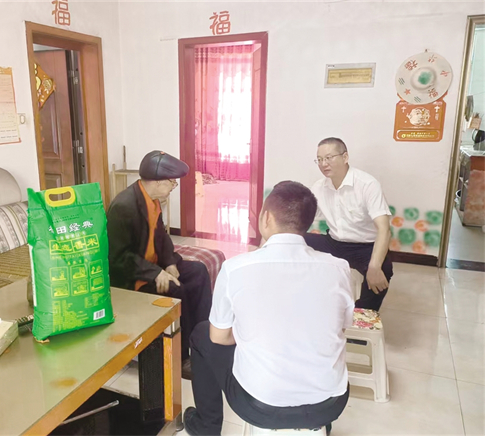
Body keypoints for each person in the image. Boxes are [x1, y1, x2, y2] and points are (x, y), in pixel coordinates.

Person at [184, 181, 354, 436]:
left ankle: (206, 427)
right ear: (307, 225)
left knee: (201, 334)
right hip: (330, 404)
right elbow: (341, 327)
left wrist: (251, 335)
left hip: (259, 407)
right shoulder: (339, 268)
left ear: (266, 218)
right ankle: (319, 426)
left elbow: (219, 337)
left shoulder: (236, 269)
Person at [106, 150, 212, 378]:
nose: (174, 186)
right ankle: (181, 357)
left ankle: (203, 340)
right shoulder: (124, 207)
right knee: (177, 290)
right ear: (156, 181)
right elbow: (117, 258)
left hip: (153, 266)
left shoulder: (153, 200)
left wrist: (170, 263)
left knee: (198, 272)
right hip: (133, 277)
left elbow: (161, 238)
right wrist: (155, 273)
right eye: (172, 182)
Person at [305, 137, 393, 311]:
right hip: (334, 242)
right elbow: (304, 218)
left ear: (345, 157)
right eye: (319, 159)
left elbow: (384, 229)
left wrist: (374, 266)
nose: (323, 164)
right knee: (296, 238)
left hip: (365, 246)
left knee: (383, 269)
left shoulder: (367, 184)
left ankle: (361, 314)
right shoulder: (319, 187)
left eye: (329, 158)